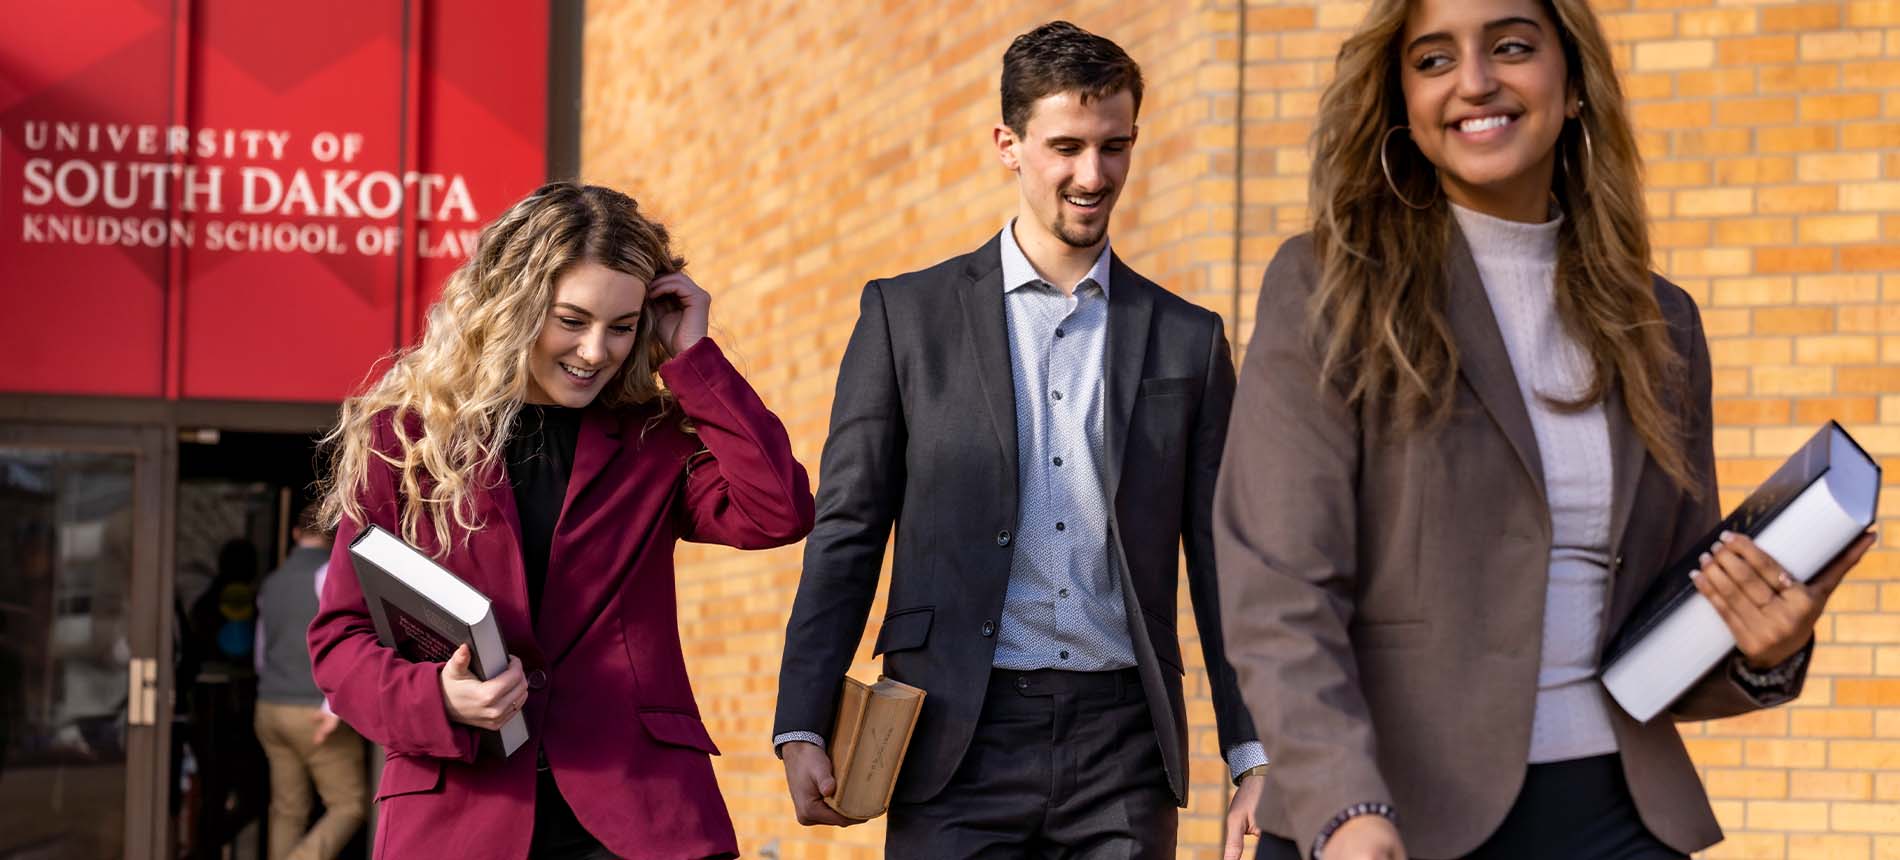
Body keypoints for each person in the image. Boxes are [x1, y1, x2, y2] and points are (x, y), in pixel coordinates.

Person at [1212, 1, 1877, 859]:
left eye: (1513, 47)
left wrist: (1764, 648)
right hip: (1386, 818)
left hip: (1620, 810)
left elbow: (1659, 621)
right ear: (1402, 105)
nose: (1476, 80)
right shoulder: (1326, 287)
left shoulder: (1660, 321)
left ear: (1572, 88)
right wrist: (1344, 804)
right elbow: (1278, 588)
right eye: (1433, 59)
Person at [774, 20, 1266, 859]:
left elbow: (1227, 559)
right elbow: (849, 529)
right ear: (1008, 144)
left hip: (1124, 746)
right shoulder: (906, 319)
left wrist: (1253, 751)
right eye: (1065, 145)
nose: (1093, 174)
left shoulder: (1188, 338)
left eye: (1116, 146)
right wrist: (802, 721)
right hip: (953, 737)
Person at [309, 181, 814, 860]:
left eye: (623, 326)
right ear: (511, 306)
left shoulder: (653, 438)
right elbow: (340, 642)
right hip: (461, 816)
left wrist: (693, 358)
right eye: (571, 320)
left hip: (639, 812)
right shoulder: (407, 440)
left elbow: (777, 511)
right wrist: (439, 698)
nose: (597, 351)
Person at [253, 503, 365, 860]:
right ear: (334, 537)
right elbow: (342, 642)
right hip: (312, 710)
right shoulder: (329, 574)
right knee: (349, 804)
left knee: (287, 809)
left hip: (270, 705)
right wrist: (333, 704)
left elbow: (261, 650)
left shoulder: (271, 583)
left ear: (295, 534)